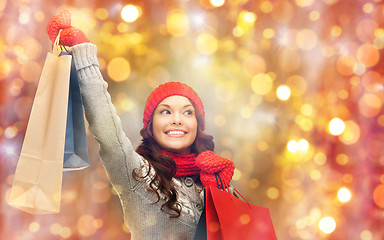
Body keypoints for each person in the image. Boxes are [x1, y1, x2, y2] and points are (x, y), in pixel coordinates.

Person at [46, 10, 235, 239]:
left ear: (197, 126)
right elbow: (106, 128)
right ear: (151, 126)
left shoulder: (208, 182)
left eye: (187, 112)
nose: (177, 119)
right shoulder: (137, 173)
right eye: (165, 111)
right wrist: (83, 53)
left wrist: (221, 193)